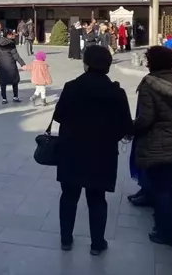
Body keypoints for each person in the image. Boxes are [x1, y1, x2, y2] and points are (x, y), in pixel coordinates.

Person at [55, 46, 132, 255]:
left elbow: (59, 116)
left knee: (69, 196)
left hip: (71, 150)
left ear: (86, 63)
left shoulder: (71, 87)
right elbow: (126, 126)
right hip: (102, 153)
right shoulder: (117, 92)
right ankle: (97, 244)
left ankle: (65, 240)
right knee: (97, 199)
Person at [133, 46, 172, 247]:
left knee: (160, 189)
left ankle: (170, 233)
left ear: (153, 63)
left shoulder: (149, 85)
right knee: (165, 186)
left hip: (156, 144)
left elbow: (146, 119)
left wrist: (130, 129)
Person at [0, 30, 27, 104]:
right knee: (14, 81)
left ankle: (4, 99)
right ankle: (15, 97)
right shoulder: (11, 44)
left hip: (1, 65)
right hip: (11, 65)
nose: (13, 35)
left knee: (2, 83)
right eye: (12, 34)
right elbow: (16, 56)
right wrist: (22, 64)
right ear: (8, 35)